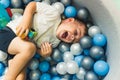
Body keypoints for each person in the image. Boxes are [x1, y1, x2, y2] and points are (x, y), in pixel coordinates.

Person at [0, 1, 86, 80]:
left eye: (73, 40)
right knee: (30, 47)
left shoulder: (55, 42)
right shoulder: (54, 14)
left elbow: (32, 51)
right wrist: (26, 21)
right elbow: (32, 5)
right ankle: (9, 78)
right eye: (75, 32)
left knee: (21, 78)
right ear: (69, 20)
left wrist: (41, 52)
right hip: (10, 33)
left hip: (18, 51)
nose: (72, 37)